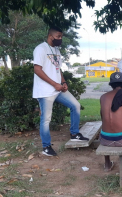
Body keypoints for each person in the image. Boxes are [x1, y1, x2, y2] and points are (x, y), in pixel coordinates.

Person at [33, 26, 88, 157]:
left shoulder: (56, 50)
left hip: (58, 89)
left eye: (61, 37)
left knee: (75, 105)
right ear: (50, 36)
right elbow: (37, 69)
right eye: (58, 37)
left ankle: (74, 133)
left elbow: (58, 68)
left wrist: (63, 82)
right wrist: (55, 84)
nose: (60, 39)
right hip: (46, 91)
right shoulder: (41, 49)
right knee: (46, 119)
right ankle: (46, 147)